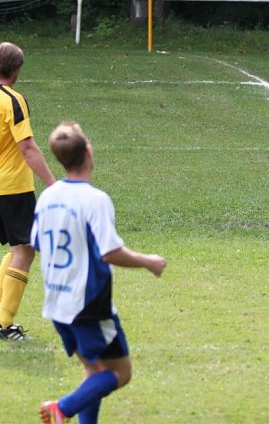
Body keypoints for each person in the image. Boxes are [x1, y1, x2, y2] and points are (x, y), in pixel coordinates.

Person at [33, 121, 166, 424]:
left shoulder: (47, 197)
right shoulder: (95, 200)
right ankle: (63, 408)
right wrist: (148, 261)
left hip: (56, 300)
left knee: (94, 371)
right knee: (120, 372)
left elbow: (38, 242)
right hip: (88, 303)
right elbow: (110, 252)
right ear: (89, 152)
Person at [0, 41, 56, 339]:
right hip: (12, 187)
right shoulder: (13, 99)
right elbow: (27, 146)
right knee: (26, 250)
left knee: (21, 247)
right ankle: (3, 325)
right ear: (17, 69)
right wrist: (52, 183)